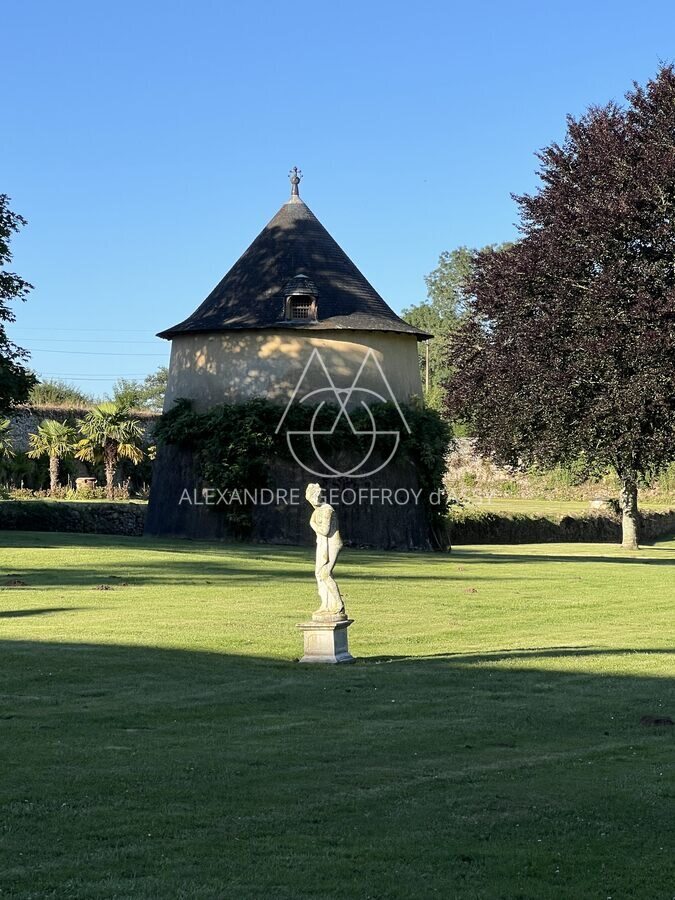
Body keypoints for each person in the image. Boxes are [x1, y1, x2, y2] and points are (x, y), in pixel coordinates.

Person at [305, 483, 346, 619]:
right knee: (319, 573)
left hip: (333, 544)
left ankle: (339, 605)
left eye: (312, 498)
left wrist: (312, 524)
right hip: (323, 545)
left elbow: (325, 531)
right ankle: (326, 605)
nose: (312, 502)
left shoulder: (327, 509)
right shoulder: (317, 511)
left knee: (325, 573)